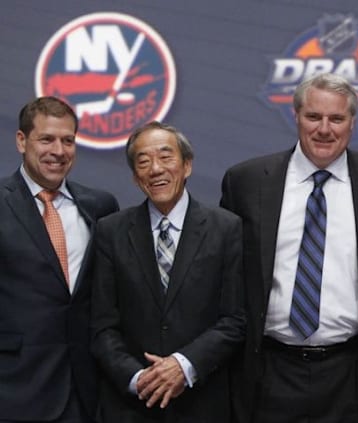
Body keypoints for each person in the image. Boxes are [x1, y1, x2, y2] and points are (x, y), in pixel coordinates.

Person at [220, 72, 358, 422]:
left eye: (336, 118)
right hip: (268, 372)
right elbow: (224, 279)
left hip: (352, 374)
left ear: (352, 123)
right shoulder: (246, 181)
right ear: (296, 116)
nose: (324, 129)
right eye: (313, 117)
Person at [90, 121, 246, 422]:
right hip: (132, 406)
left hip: (202, 402)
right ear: (136, 178)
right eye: (143, 161)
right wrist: (139, 380)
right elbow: (102, 326)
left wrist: (183, 365)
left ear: (187, 165)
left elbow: (235, 320)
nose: (156, 169)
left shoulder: (226, 228)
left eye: (165, 157)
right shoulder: (111, 231)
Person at [0, 96, 119, 422]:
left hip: (85, 391)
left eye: (68, 140)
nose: (59, 150)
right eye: (47, 139)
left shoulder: (100, 206)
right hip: (13, 389)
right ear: (22, 141)